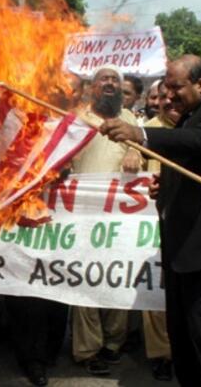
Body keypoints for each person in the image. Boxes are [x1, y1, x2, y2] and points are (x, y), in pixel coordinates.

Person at [100, 55, 201, 387]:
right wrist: (164, 187)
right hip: (180, 248)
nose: (169, 96)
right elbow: (191, 166)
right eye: (166, 88)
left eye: (177, 87)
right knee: (181, 336)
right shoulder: (189, 118)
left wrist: (140, 134)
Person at [70, 64, 141, 376]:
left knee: (117, 278)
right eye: (104, 79)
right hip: (83, 215)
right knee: (85, 281)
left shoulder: (131, 120)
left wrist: (137, 154)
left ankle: (114, 342)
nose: (111, 83)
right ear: (92, 88)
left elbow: (148, 154)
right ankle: (87, 350)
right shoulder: (77, 119)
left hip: (121, 219)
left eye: (116, 79)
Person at [140, 79, 180, 382]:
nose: (168, 101)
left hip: (190, 225)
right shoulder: (146, 131)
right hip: (148, 224)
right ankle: (161, 355)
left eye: (174, 95)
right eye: (162, 97)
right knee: (154, 293)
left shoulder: (200, 127)